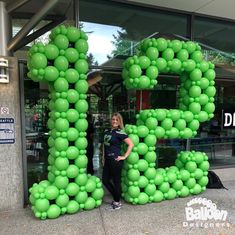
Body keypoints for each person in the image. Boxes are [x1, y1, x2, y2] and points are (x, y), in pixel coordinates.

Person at [102, 112, 134, 210]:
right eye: (113, 119)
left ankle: (117, 201)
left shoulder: (121, 132)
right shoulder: (107, 131)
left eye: (117, 120)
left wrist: (124, 156)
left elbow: (131, 144)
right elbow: (104, 145)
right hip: (107, 160)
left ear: (120, 122)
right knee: (105, 180)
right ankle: (116, 196)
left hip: (116, 160)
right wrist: (103, 157)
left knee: (116, 182)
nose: (114, 121)